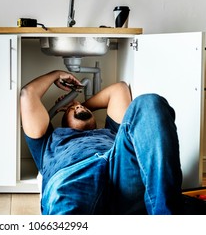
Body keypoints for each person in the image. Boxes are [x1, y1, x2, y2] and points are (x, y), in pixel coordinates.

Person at [20, 70, 184, 215]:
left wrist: (78, 104)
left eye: (82, 108)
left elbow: (119, 89)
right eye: (72, 110)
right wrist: (56, 74)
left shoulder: (111, 131)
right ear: (63, 119)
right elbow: (28, 94)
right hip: (74, 176)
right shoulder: (49, 139)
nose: (79, 109)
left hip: (120, 170)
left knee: (148, 102)